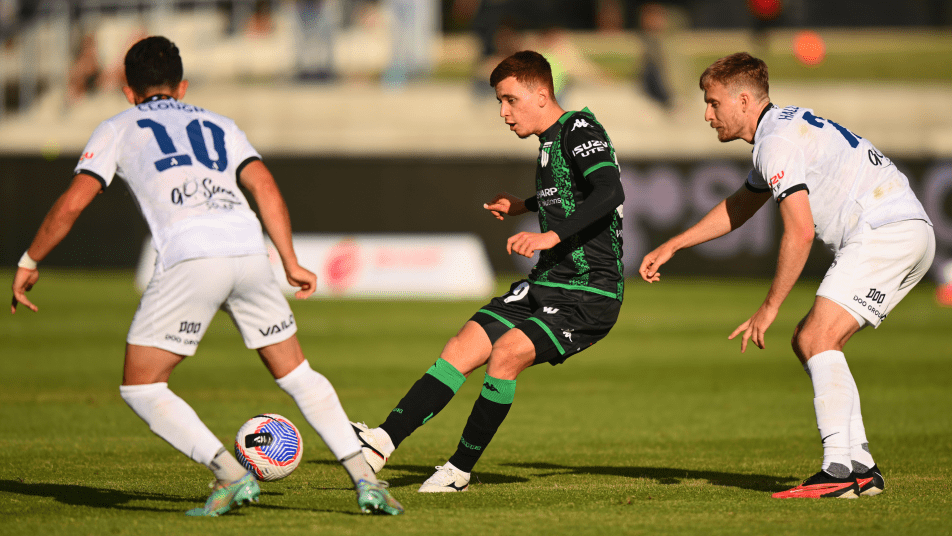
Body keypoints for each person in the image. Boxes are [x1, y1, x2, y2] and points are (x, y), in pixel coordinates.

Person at [10, 36, 403, 517]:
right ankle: (367, 480)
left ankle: (230, 474)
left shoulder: (117, 127)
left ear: (128, 91)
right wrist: (290, 260)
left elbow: (72, 204)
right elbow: (264, 186)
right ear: (182, 86)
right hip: (248, 249)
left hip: (192, 254)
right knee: (298, 374)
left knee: (142, 387)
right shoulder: (220, 123)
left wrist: (29, 260)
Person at [639, 52, 935, 499]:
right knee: (812, 340)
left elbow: (800, 231)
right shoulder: (781, 128)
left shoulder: (776, 142)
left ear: (743, 101)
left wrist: (769, 307)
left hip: (884, 231)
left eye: (713, 103)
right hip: (908, 230)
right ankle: (860, 467)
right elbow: (742, 204)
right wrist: (676, 244)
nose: (707, 115)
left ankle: (838, 470)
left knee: (816, 338)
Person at [351, 50, 625, 492]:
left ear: (541, 95)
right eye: (500, 101)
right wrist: (526, 205)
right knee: (462, 346)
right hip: (546, 283)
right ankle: (381, 442)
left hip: (588, 293)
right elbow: (569, 190)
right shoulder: (550, 140)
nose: (504, 112)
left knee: (506, 354)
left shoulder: (579, 128)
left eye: (510, 100)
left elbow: (609, 190)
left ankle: (459, 470)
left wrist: (551, 236)